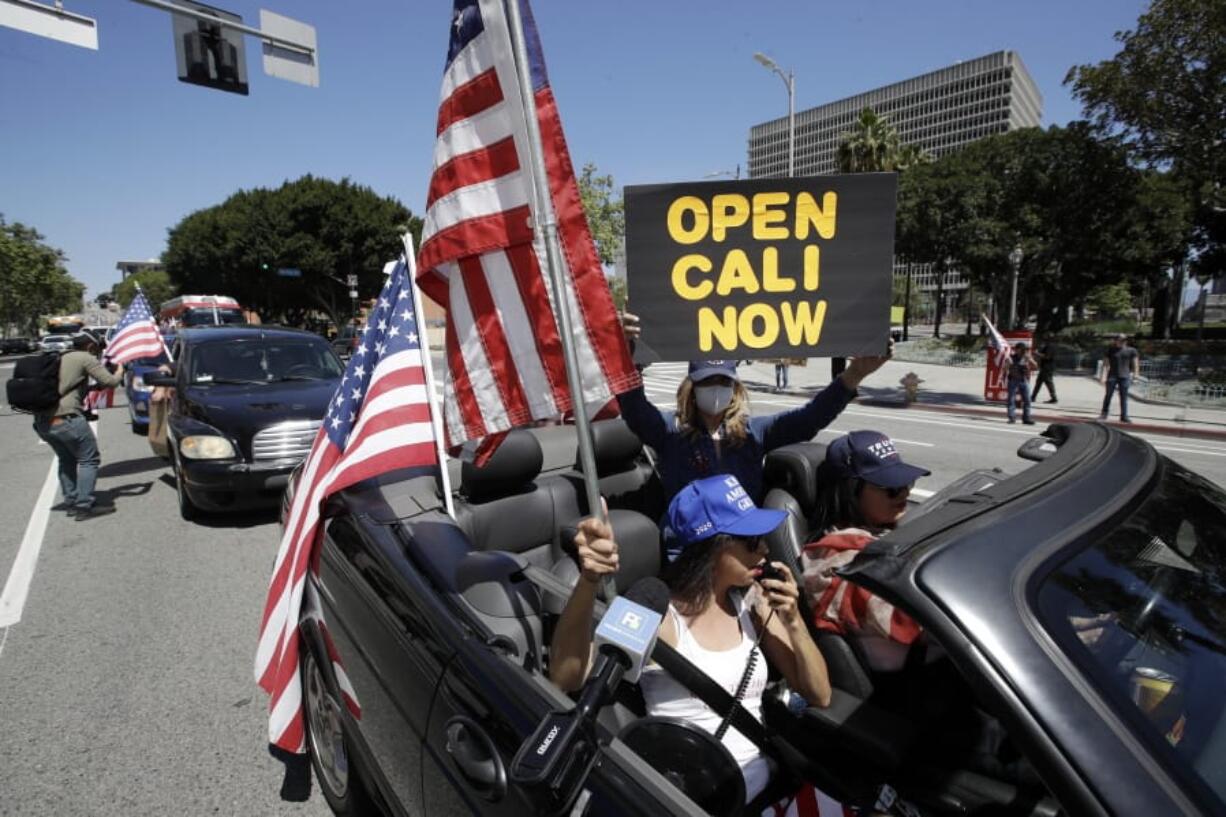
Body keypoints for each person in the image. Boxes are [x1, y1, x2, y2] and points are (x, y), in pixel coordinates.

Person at [550, 474, 836, 811]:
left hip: (769, 785)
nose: (765, 549)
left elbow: (820, 694)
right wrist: (589, 578)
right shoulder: (656, 610)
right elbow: (567, 677)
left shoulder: (753, 600)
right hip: (702, 800)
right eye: (752, 541)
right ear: (712, 547)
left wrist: (794, 620)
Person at [618, 311, 890, 507]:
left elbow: (809, 419)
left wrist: (854, 375)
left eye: (723, 380)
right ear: (691, 387)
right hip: (689, 551)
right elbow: (634, 407)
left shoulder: (753, 433)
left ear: (735, 387)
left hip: (744, 544)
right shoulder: (670, 432)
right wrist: (625, 354)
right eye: (707, 381)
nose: (716, 388)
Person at [802, 431, 931, 673]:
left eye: (906, 483)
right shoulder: (838, 561)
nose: (904, 493)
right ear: (850, 491)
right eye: (890, 487)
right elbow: (919, 624)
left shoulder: (883, 532)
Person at [32, 331, 123, 520]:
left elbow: (66, 386)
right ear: (90, 346)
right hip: (67, 418)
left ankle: (71, 501)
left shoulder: (59, 358)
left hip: (43, 421)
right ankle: (84, 505)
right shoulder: (85, 357)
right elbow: (111, 382)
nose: (99, 352)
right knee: (89, 459)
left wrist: (91, 388)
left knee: (66, 460)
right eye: (98, 348)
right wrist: (120, 370)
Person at [1100, 333, 1139, 423]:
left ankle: (1124, 416)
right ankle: (1104, 413)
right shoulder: (1111, 350)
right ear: (1116, 341)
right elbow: (1105, 364)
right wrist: (1103, 376)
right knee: (1108, 395)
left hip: (1124, 376)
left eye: (1123, 340)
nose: (1121, 342)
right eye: (1119, 340)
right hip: (1112, 376)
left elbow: (1135, 364)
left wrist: (1136, 376)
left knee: (1124, 397)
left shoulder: (1131, 351)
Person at [1004, 342, 1036, 425]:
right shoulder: (1012, 357)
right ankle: (1012, 417)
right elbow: (1005, 369)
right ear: (1017, 350)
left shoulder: (1026, 357)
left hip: (1023, 380)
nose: (1023, 351)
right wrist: (1007, 364)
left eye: (1024, 350)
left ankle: (1026, 418)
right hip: (1013, 380)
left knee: (1027, 400)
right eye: (1022, 349)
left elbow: (1035, 367)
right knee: (1011, 399)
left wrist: (1031, 361)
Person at [1032, 336, 1058, 404]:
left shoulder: (1050, 347)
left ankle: (1054, 397)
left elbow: (1047, 357)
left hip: (1047, 367)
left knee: (1048, 382)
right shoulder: (1050, 346)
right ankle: (1033, 397)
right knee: (1039, 382)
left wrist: (1037, 353)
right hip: (1045, 367)